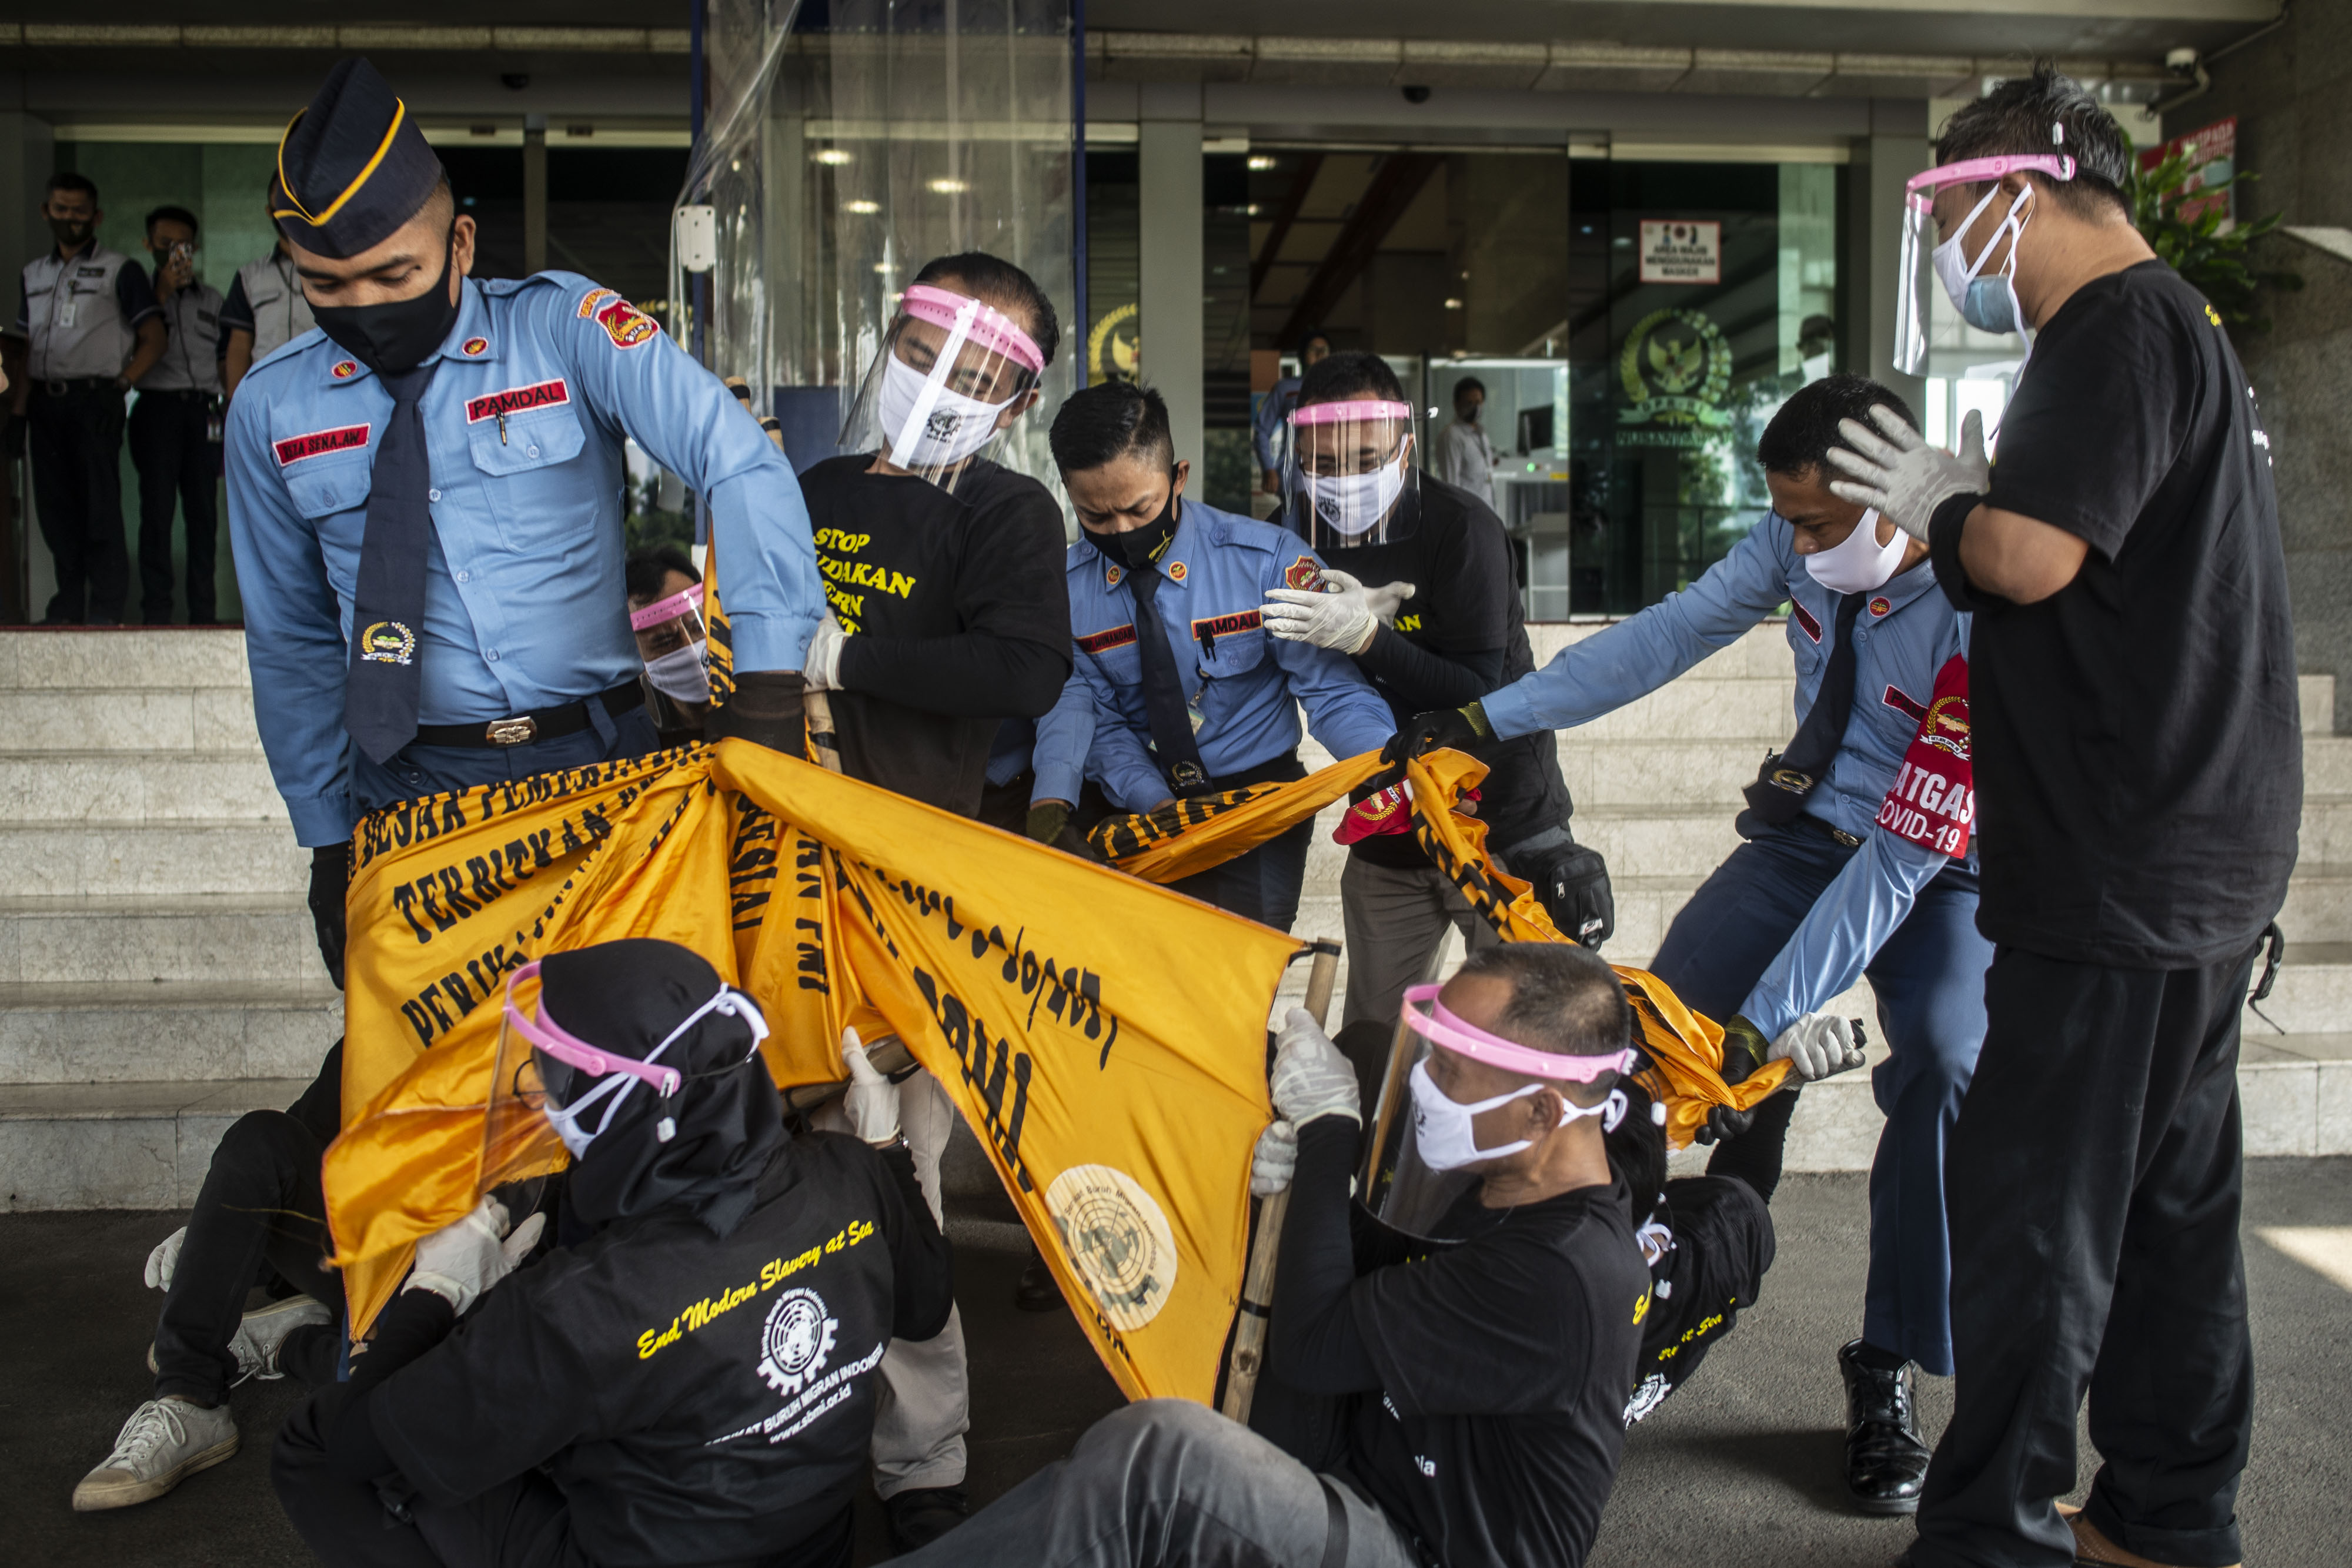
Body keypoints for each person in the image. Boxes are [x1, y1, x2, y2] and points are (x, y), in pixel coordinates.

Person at [1825, 67, 2297, 1568]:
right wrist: (1978, 498)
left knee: (2040, 1220)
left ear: (2017, 195)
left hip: (2120, 859)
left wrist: (1947, 515)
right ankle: (2166, 1512)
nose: (1961, 251)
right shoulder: (2171, 330)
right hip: (2184, 849)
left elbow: (2025, 560)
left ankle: (1989, 1535)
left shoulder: (2113, 324)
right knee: (2166, 1212)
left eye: (1959, 214)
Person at [1391, 373, 1989, 1514]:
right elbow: (1662, 639)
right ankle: (1599, 1310)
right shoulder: (1798, 539)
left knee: (1943, 1069)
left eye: (1818, 523)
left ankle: (1884, 1368)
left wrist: (1765, 1018)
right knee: (1642, 1049)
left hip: (1941, 862)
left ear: (1896, 498)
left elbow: (1904, 855)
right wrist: (1488, 716)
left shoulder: (1975, 604)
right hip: (1808, 832)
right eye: (1789, 521)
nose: (1798, 547)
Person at [226, 57, 822, 990]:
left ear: (460, 242)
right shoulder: (272, 407)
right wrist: (326, 837)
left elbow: (737, 457)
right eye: (327, 288)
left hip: (601, 763)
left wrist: (773, 686)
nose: (367, 308)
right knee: (444, 1079)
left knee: (628, 1063)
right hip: (411, 785)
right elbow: (292, 635)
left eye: (395, 274)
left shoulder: (564, 329)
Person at [893, 941, 1652, 1568]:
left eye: (1449, 1067)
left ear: (1544, 1108)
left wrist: (1327, 1132)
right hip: (1372, 1456)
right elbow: (1374, 1271)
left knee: (1157, 1461)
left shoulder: (1566, 1274)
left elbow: (1316, 1345)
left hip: (1421, 1545)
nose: (1425, 1080)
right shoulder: (1508, 1173)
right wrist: (1280, 1184)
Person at [269, 938, 954, 1568]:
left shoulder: (579, 1304)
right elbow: (926, 1306)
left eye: (556, 1078)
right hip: (810, 1544)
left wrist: (437, 1296)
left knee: (313, 1444)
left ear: (629, 1104)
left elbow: (359, 1446)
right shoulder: (846, 1174)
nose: (541, 1091)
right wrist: (886, 1152)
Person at [789, 250, 1072, 1548]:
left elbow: (1023, 670)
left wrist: (852, 654)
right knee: (773, 1164)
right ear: (884, 341)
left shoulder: (1005, 516)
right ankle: (769, 1432)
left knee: (896, 1171)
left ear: (1011, 401)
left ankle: (920, 1461)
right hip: (777, 875)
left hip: (909, 883)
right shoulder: (812, 488)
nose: (940, 386)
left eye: (980, 373)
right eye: (923, 354)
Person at [1260, 350, 1604, 1047]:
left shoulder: (1460, 529)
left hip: (1500, 824)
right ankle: (1383, 1160)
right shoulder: (1289, 534)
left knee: (1528, 1040)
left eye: (1366, 457)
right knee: (1373, 1042)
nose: (1343, 478)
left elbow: (1481, 696)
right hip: (1390, 830)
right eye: (1322, 463)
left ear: (1405, 448)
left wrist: (1367, 639)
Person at [1031, 379, 1395, 931]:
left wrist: (1384, 771)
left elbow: (1332, 691)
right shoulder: (1067, 591)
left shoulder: (1267, 563)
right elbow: (1097, 720)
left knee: (1242, 975)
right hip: (1140, 803)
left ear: (1178, 477)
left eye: (1138, 508)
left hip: (1256, 803)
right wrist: (1156, 805)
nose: (1122, 531)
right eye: (1096, 518)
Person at [71, 1042, 350, 1511]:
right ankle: (189, 1395)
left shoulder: (510, 1040)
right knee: (260, 1139)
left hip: (459, 1286)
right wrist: (218, 1235)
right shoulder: (386, 1028)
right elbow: (294, 1149)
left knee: (419, 1382)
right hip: (368, 1259)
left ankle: (288, 1342)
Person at [9, 170, 165, 624]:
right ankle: (67, 606)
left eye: (79, 211)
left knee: (99, 508)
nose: (70, 219)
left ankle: (106, 607)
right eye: (61, 210)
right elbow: (24, 352)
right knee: (55, 509)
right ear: (46, 212)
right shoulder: (33, 274)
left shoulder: (121, 269)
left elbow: (154, 338)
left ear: (96, 216)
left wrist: (121, 385)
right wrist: (18, 413)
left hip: (96, 400)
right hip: (44, 403)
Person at [131, 203, 226, 625]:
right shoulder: (140, 297)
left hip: (203, 410)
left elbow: (225, 359)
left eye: (183, 245)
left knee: (203, 514)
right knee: (157, 510)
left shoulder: (213, 299)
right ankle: (157, 610)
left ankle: (204, 612)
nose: (174, 252)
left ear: (196, 249)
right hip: (157, 409)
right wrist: (161, 294)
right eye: (165, 244)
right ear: (149, 245)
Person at [219, 193, 318, 400]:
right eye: (282, 203)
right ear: (270, 210)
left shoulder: (336, 268)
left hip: (320, 389)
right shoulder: (250, 275)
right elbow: (239, 346)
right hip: (265, 395)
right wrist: (235, 402)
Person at [624, 544, 711, 747]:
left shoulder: (759, 709)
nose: (690, 649)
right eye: (666, 641)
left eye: (698, 628)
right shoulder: (636, 745)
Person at [1251, 326, 1332, 500]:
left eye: (1324, 350)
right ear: (1302, 355)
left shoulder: (1341, 390)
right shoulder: (1286, 389)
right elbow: (1262, 430)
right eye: (1313, 350)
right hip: (1295, 477)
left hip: (1332, 477)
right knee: (1293, 526)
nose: (1319, 355)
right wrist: (1268, 468)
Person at [1428, 376, 1495, 510]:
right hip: (1469, 515)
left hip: (1487, 512)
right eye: (1469, 403)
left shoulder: (1481, 434)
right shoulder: (1452, 436)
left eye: (1478, 402)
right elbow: (1451, 484)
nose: (1475, 407)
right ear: (1456, 404)